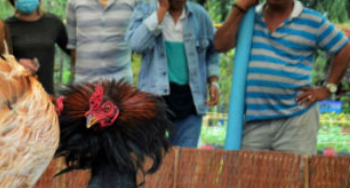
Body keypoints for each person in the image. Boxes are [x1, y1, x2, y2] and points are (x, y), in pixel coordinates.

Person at [214, 0, 350, 155]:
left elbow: (344, 48)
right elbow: (219, 45)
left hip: (296, 120)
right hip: (256, 119)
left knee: (295, 176)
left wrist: (327, 89)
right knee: (248, 175)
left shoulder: (313, 21)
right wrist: (240, 8)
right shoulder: (251, 18)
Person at [126, 0, 219, 148]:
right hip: (154, 99)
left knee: (185, 160)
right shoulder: (145, 10)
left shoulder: (200, 16)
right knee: (152, 159)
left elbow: (213, 52)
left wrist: (213, 81)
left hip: (191, 101)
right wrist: (161, 11)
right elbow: (136, 45)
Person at [65, 0, 138, 84]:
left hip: (121, 86)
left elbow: (135, 42)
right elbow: (73, 46)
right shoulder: (73, 2)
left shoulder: (135, 2)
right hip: (84, 86)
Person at [5, 0, 68, 95]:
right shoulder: (5, 27)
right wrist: (16, 64)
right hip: (16, 98)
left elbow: (73, 51)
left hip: (46, 96)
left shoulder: (53, 23)